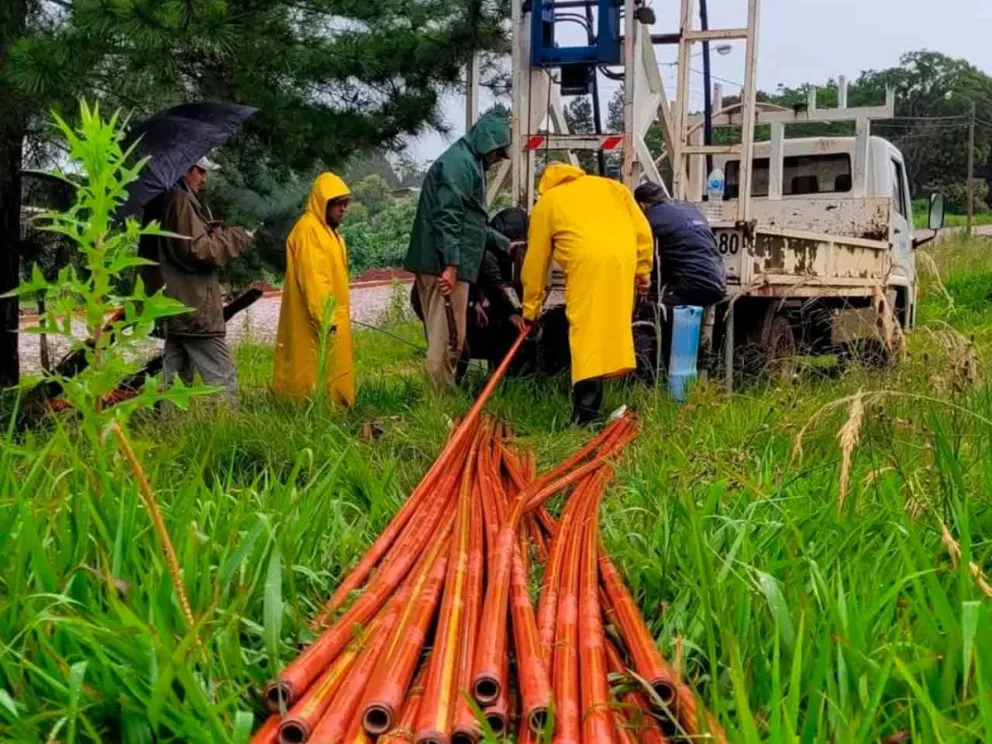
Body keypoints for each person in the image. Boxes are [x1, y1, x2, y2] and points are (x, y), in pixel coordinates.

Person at [520, 164, 653, 425]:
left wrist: (530, 309)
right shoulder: (612, 187)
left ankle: (585, 414)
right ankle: (604, 396)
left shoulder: (548, 203)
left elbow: (535, 262)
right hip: (622, 259)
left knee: (585, 332)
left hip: (587, 263)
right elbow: (643, 231)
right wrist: (643, 269)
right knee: (611, 325)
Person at [404, 110, 512, 391]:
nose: (497, 160)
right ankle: (440, 406)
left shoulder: (468, 162)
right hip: (444, 266)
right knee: (447, 339)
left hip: (451, 263)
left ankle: (445, 395)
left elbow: (472, 222)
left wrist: (506, 244)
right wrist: (451, 266)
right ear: (488, 143)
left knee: (454, 338)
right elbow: (448, 217)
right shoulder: (459, 164)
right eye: (497, 153)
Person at [139, 156, 252, 405]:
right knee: (222, 377)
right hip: (194, 307)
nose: (204, 178)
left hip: (177, 305)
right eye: (200, 171)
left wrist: (209, 233)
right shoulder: (179, 200)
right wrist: (236, 238)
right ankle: (228, 432)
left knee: (176, 382)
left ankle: (171, 433)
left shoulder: (166, 198)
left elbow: (183, 247)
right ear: (185, 169)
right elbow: (197, 251)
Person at [273, 173, 356, 406]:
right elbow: (315, 278)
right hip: (319, 320)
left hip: (332, 318)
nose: (343, 210)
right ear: (323, 202)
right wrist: (325, 317)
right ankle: (310, 411)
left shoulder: (328, 232)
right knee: (310, 369)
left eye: (345, 204)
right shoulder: (309, 230)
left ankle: (337, 407)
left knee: (332, 368)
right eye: (338, 204)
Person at [632, 181, 726, 380]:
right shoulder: (689, 209)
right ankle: (696, 371)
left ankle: (644, 381)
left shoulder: (649, 218)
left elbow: (641, 254)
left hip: (691, 283)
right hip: (717, 280)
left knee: (649, 315)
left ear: (641, 206)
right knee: (680, 322)